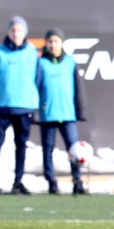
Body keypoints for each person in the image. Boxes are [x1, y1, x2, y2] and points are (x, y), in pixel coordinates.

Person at [0, 16, 41, 195]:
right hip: (2, 106)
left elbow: (38, 79)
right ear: (8, 32)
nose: (16, 33)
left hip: (24, 106)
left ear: (25, 32)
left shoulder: (32, 53)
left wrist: (30, 97)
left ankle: (18, 181)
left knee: (21, 145)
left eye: (19, 30)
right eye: (13, 30)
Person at [37, 29, 87, 195]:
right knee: (47, 150)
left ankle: (77, 181)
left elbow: (78, 88)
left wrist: (79, 111)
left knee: (75, 150)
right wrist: (42, 109)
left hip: (67, 114)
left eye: (56, 41)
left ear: (62, 43)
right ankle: (51, 182)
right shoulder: (41, 63)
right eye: (50, 42)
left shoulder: (70, 62)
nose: (53, 45)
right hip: (48, 115)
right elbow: (37, 89)